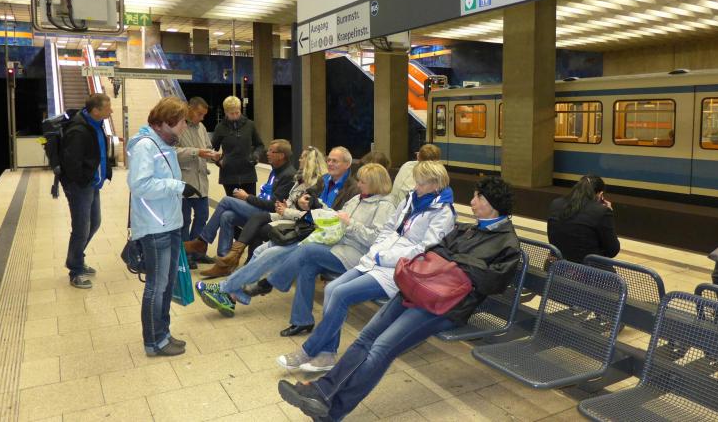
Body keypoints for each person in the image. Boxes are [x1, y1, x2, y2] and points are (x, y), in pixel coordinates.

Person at [278, 176, 521, 420]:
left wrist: (452, 262)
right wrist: (454, 265)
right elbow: (433, 250)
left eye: (478, 197)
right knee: (366, 338)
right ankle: (321, 391)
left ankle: (331, 411)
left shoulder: (506, 244)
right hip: (417, 289)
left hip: (444, 306)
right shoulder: (467, 229)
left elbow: (492, 281)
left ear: (493, 203)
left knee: (381, 348)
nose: (472, 201)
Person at [274, 160, 455, 372]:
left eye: (421, 184)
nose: (416, 187)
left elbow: (425, 250)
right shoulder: (411, 200)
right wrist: (377, 251)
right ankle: (327, 354)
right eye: (416, 182)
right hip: (375, 259)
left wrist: (384, 257)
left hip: (399, 271)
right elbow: (389, 229)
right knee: (332, 289)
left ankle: (309, 350)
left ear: (436, 184)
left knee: (340, 294)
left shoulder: (443, 212)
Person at [196, 164, 396, 330]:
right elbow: (336, 217)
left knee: (305, 250)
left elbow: (376, 239)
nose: (358, 184)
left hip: (353, 254)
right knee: (286, 256)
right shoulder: (357, 199)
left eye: (363, 182)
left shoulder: (384, 206)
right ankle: (301, 320)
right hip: (333, 244)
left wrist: (350, 224)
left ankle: (256, 285)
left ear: (375, 183)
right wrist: (318, 206)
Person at [127, 96, 195, 357]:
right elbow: (140, 185)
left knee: (165, 284)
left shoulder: (165, 144)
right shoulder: (146, 146)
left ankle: (163, 333)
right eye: (182, 122)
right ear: (167, 121)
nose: (184, 127)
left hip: (170, 223)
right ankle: (154, 341)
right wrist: (177, 186)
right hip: (156, 227)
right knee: (157, 286)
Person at [186, 139, 296, 278]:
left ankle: (202, 241)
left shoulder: (288, 175)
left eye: (271, 151)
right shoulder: (276, 170)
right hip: (261, 210)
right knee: (227, 216)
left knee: (226, 201)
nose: (267, 153)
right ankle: (224, 262)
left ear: (281, 155)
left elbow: (273, 206)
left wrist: (247, 197)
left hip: (269, 215)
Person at [233, 146, 328, 263]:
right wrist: (283, 206)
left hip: (299, 222)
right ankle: (237, 256)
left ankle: (244, 260)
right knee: (255, 218)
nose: (299, 160)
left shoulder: (315, 184)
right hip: (286, 214)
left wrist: (285, 210)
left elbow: (308, 213)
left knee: (255, 226)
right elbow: (291, 200)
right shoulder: (299, 179)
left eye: (302, 157)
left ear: (310, 161)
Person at [60, 93, 113, 289]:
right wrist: (84, 180)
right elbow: (71, 163)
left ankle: (76, 259)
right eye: (107, 108)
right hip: (81, 186)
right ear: (96, 110)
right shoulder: (78, 130)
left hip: (92, 184)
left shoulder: (97, 124)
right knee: (81, 228)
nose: (111, 111)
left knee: (94, 223)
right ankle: (76, 271)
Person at [175, 97, 220, 268]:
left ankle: (198, 252)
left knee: (202, 217)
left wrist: (213, 155)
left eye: (204, 115)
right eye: (199, 114)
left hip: (201, 183)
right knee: (184, 221)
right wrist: (196, 152)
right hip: (184, 183)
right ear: (189, 109)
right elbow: (172, 152)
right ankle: (185, 255)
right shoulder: (178, 126)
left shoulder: (201, 127)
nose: (202, 118)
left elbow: (207, 147)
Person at [547, 174, 620, 264]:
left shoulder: (555, 204)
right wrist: (609, 212)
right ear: (600, 195)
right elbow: (613, 250)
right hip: (586, 269)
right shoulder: (602, 211)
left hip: (555, 265)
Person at [212, 95, 264, 197]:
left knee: (250, 204)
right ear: (226, 112)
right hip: (228, 177)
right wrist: (219, 161)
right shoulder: (220, 128)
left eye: (237, 112)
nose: (235, 115)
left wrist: (255, 156)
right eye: (232, 113)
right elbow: (212, 149)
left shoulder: (250, 125)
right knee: (233, 205)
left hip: (248, 175)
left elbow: (259, 145)